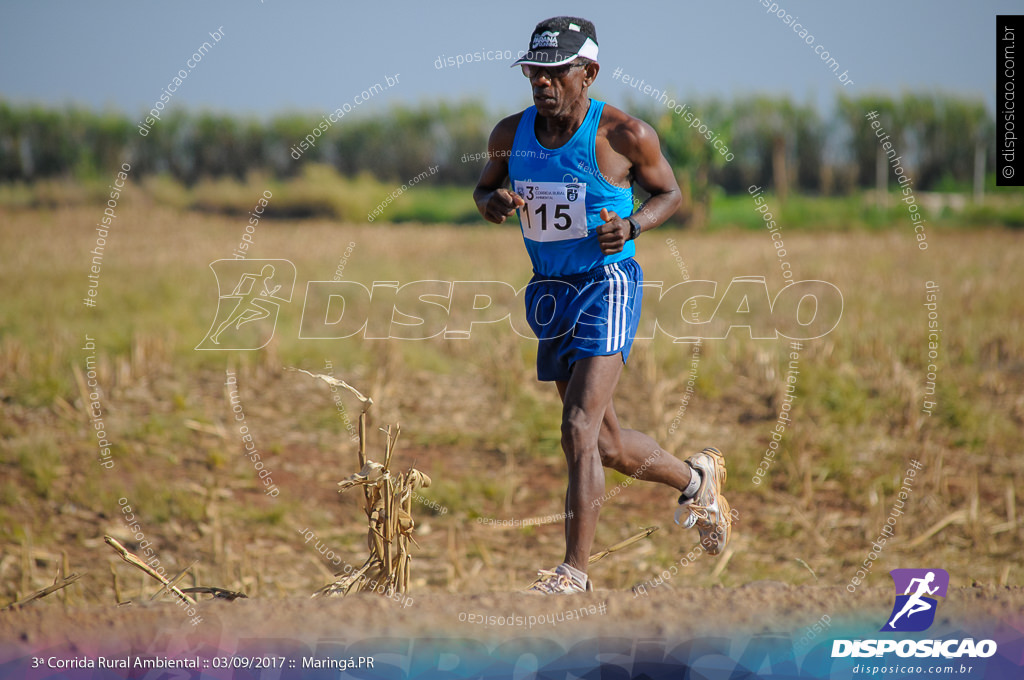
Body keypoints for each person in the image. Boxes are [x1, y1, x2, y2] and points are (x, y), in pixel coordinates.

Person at [473, 16, 732, 594]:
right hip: (547, 291)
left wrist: (635, 224)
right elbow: (483, 187)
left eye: (555, 72)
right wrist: (492, 203)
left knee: (578, 427)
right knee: (607, 444)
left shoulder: (623, 135)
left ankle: (574, 574)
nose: (542, 82)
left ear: (587, 73)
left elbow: (670, 192)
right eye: (534, 71)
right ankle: (696, 480)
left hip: (606, 283)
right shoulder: (510, 133)